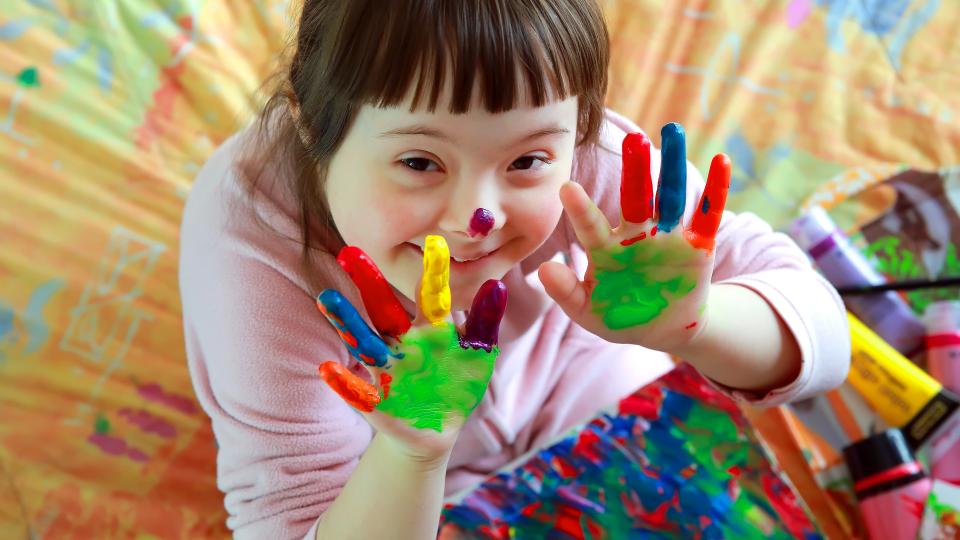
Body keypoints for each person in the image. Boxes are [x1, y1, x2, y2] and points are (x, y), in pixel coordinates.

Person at [178, 1, 850, 538]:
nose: (478, 217)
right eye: (419, 162)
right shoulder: (252, 256)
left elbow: (826, 340)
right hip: (384, 474)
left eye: (527, 161)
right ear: (310, 124)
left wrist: (697, 327)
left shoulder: (597, 163)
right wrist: (412, 455)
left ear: (579, 131)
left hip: (578, 373)